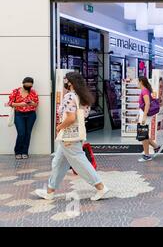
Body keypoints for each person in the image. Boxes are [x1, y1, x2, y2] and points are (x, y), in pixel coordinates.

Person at [35, 72, 109, 201]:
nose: (65, 82)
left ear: (70, 82)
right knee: (58, 163)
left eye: (66, 80)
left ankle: (101, 187)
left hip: (69, 135)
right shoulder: (83, 97)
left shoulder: (70, 96)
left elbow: (70, 117)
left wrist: (59, 127)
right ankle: (50, 192)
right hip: (77, 134)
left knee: (79, 162)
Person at [8, 77, 39, 160]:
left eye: (30, 86)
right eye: (27, 86)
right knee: (21, 133)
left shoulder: (33, 92)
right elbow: (10, 103)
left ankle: (25, 152)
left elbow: (36, 104)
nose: (28, 88)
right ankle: (18, 152)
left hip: (31, 115)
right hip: (19, 115)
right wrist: (20, 104)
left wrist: (32, 103)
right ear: (23, 83)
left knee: (28, 133)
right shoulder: (16, 91)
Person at [137, 76, 161, 162]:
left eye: (138, 81)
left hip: (145, 115)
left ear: (141, 82)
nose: (137, 83)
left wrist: (144, 116)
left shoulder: (144, 91)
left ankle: (147, 155)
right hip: (144, 114)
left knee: (143, 135)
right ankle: (156, 146)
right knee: (144, 134)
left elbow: (147, 104)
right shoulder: (146, 90)